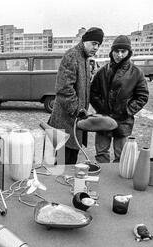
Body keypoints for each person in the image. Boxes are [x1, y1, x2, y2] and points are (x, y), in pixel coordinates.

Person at [48, 27, 104, 165]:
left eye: (98, 44)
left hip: (74, 122)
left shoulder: (84, 58)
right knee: (61, 164)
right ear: (84, 41)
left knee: (70, 161)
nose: (96, 48)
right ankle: (58, 186)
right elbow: (64, 88)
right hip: (65, 122)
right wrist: (78, 110)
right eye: (93, 43)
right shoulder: (72, 56)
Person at [90, 35, 149, 163]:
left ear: (129, 53)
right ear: (112, 52)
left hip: (123, 122)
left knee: (121, 156)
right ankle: (104, 179)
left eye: (123, 51)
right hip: (103, 120)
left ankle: (117, 181)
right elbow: (93, 93)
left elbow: (142, 96)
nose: (120, 55)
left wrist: (126, 110)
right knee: (101, 154)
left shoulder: (136, 73)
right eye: (117, 51)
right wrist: (102, 108)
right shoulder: (103, 71)